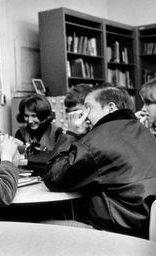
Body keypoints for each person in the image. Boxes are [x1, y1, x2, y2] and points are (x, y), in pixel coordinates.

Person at [44, 84, 156, 238]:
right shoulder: (143, 130)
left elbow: (53, 177)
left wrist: (71, 133)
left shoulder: (97, 140)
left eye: (88, 108)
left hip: (119, 232)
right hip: (143, 224)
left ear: (110, 108)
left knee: (41, 228)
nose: (83, 115)